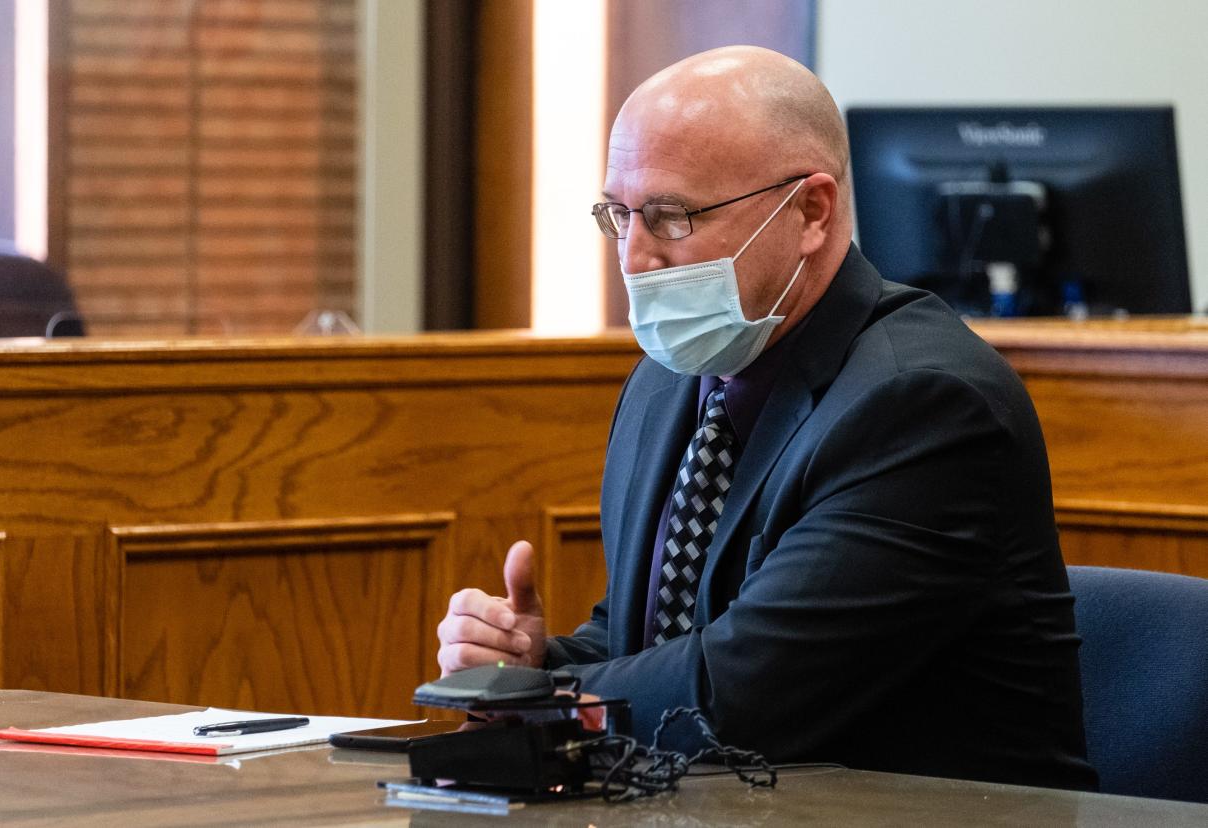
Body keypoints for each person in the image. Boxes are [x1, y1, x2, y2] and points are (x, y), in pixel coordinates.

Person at [437, 45, 1097, 791]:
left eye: (672, 216)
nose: (634, 257)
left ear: (810, 211)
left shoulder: (924, 405)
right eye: (619, 216)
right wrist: (531, 662)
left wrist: (539, 703)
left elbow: (740, 692)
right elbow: (654, 635)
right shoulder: (667, 384)